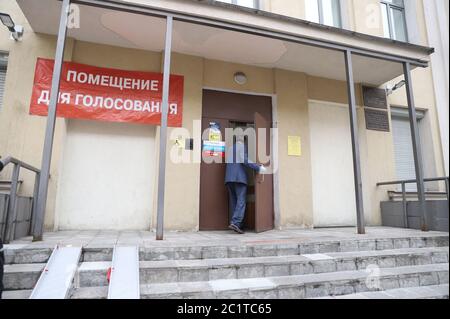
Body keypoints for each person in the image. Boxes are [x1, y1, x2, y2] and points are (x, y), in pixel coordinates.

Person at [225, 134, 266, 234]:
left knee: (234, 201)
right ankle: (236, 222)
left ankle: (237, 224)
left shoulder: (230, 148)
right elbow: (244, 160)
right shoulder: (242, 146)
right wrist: (258, 168)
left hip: (229, 178)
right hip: (239, 178)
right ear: (243, 141)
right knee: (241, 201)